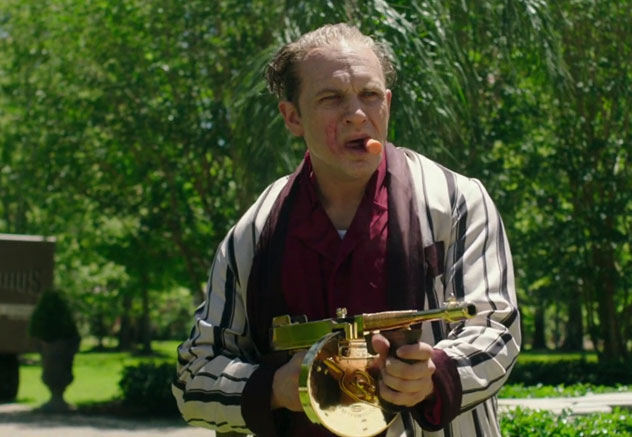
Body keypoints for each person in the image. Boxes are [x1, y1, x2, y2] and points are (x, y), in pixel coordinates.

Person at [172, 23, 520, 437]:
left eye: (369, 95)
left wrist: (434, 376)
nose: (357, 113)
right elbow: (193, 377)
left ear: (387, 104)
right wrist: (277, 388)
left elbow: (496, 329)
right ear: (292, 117)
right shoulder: (253, 232)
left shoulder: (459, 201)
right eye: (331, 98)